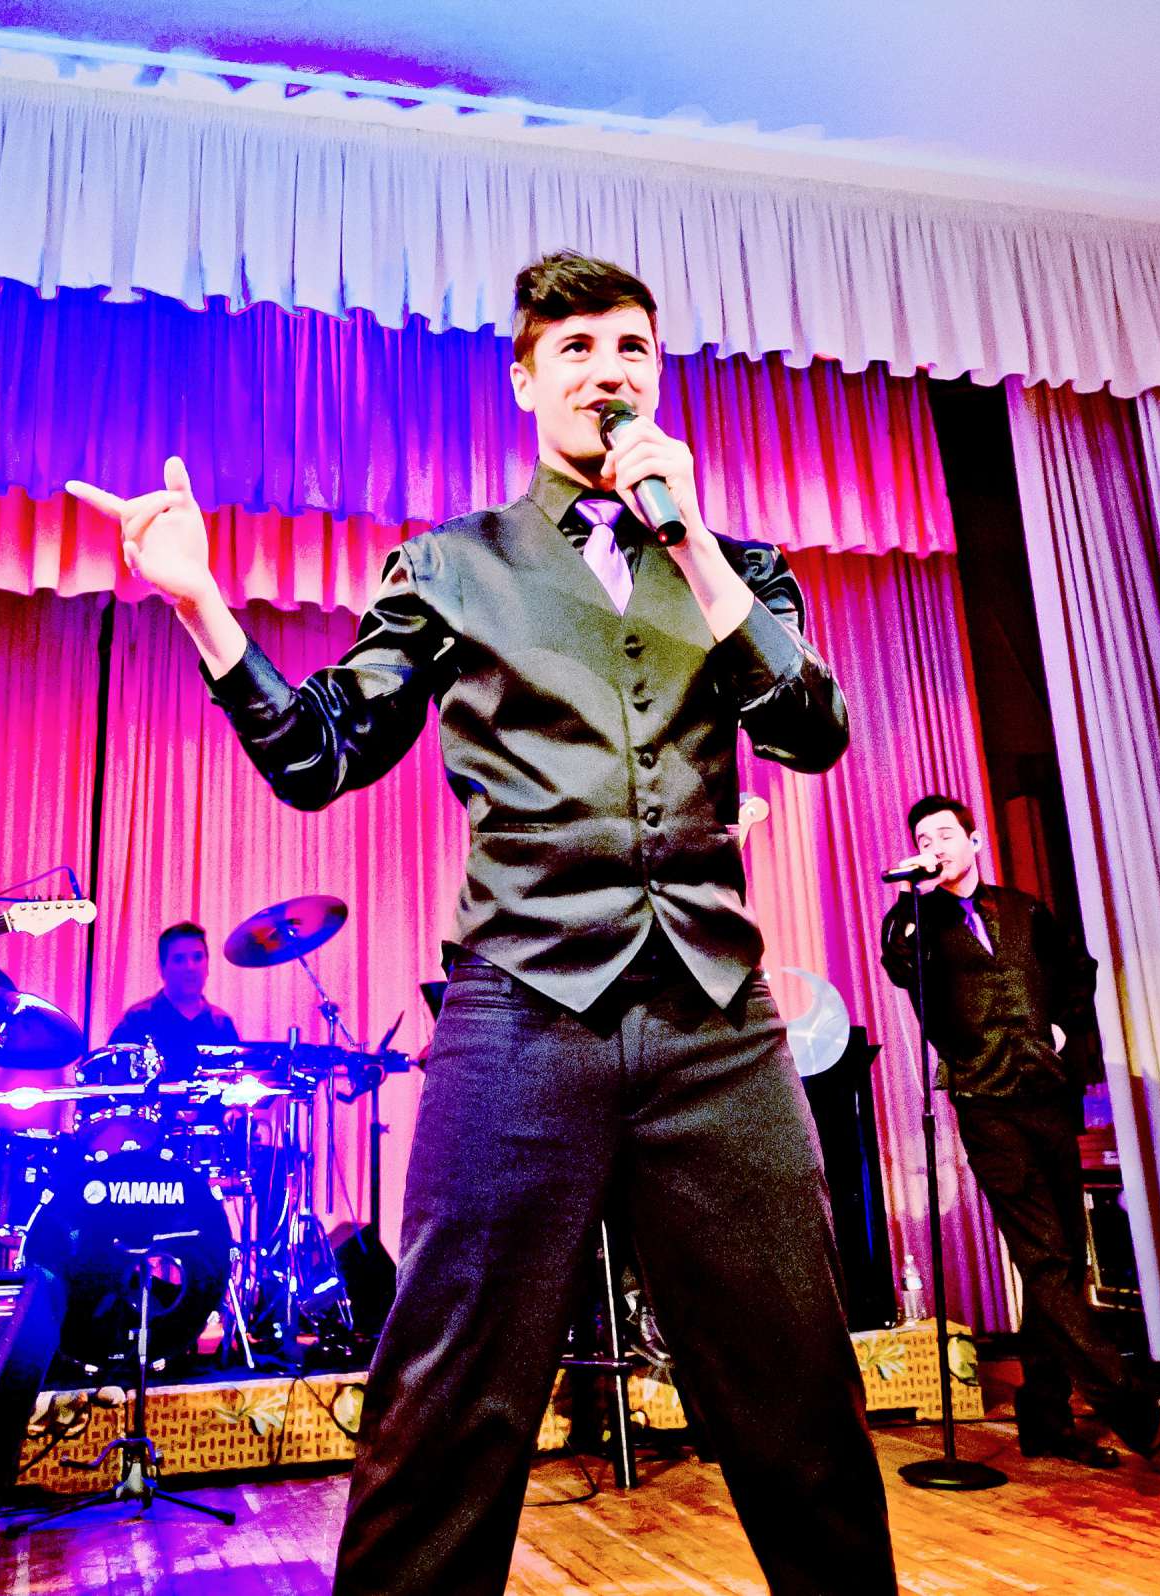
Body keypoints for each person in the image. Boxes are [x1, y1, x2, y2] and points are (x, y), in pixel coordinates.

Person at [70, 251, 893, 1595]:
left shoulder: (739, 567)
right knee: (446, 1407)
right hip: (518, 1012)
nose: (606, 370)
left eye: (629, 347)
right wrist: (202, 605)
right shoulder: (452, 563)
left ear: (656, 375)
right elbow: (317, 754)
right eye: (572, 350)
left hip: (713, 1019)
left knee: (800, 1398)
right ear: (525, 382)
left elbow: (811, 728)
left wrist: (688, 538)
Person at [879, 794, 1160, 1469]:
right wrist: (909, 899)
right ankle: (1128, 1404)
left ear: (974, 840)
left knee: (1064, 1259)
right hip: (987, 1104)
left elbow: (1079, 971)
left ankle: (1044, 1421)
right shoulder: (917, 923)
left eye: (946, 834)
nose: (935, 845)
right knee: (1042, 1259)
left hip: (1046, 1094)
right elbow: (899, 965)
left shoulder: (1022, 910)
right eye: (924, 837)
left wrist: (1069, 1035)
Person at [102, 919, 240, 1071]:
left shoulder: (221, 1024)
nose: (190, 967)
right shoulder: (137, 1020)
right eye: (179, 959)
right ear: (162, 967)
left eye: (197, 957)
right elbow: (111, 1076)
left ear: (207, 965)